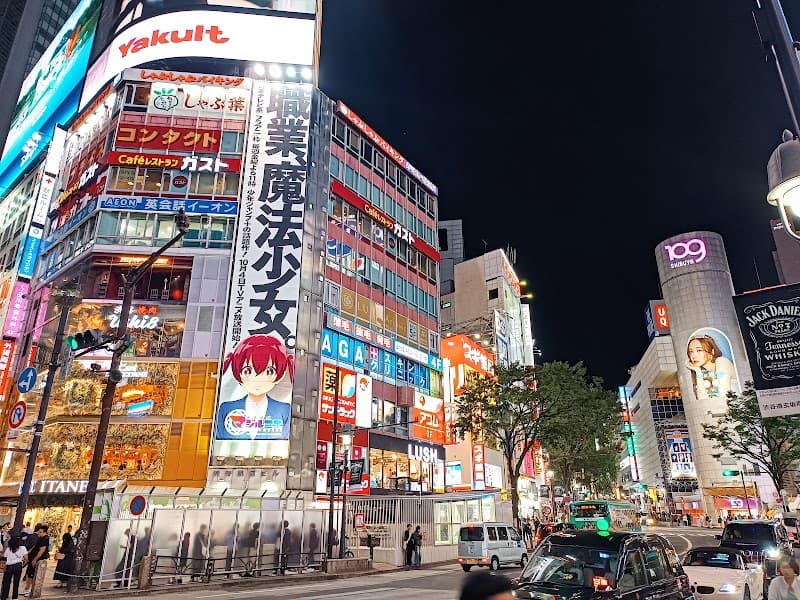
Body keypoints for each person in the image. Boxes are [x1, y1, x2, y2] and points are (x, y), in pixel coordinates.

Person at [215, 335, 294, 441]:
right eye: (247, 371)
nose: (258, 378)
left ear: (280, 376)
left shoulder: (285, 409)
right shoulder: (226, 408)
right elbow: (219, 437)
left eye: (269, 372)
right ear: (236, 373)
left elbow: (285, 441)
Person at [686, 335, 737, 400]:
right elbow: (703, 402)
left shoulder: (722, 362)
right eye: (691, 351)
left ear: (712, 351)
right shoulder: (701, 373)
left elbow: (725, 398)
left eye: (699, 350)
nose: (693, 356)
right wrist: (698, 371)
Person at [22, 525, 48, 597]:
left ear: (44, 532)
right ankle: (26, 589)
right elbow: (35, 547)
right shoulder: (40, 538)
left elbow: (41, 550)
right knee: (28, 574)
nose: (38, 534)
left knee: (31, 575)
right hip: (31, 557)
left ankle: (29, 589)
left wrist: (35, 559)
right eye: (38, 532)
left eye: (40, 532)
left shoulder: (45, 539)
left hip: (36, 559)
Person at [1, 535, 27, 600]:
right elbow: (26, 559)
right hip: (18, 566)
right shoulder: (23, 548)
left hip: (9, 566)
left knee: (6, 582)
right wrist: (22, 565)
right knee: (16, 582)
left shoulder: (8, 549)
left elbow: (5, 559)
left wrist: (4, 568)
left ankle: (4, 596)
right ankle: (14, 597)